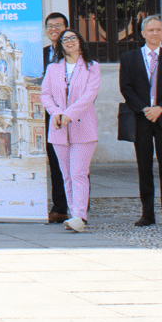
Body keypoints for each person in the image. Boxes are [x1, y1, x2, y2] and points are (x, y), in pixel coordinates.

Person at [119, 15, 162, 228]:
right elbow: (126, 87)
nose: (156, 33)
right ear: (143, 33)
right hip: (142, 119)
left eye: (159, 30)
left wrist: (160, 108)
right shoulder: (129, 58)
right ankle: (147, 213)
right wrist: (145, 109)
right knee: (144, 167)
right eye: (151, 30)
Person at [41, 29, 102, 233]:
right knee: (66, 174)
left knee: (79, 172)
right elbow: (45, 95)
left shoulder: (91, 67)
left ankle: (80, 216)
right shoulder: (53, 69)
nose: (69, 42)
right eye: (64, 39)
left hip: (83, 127)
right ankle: (73, 212)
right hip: (59, 128)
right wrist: (56, 112)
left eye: (72, 38)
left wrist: (68, 114)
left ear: (80, 42)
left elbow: (89, 95)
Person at [41, 12, 72, 223]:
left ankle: (79, 205)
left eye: (58, 25)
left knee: (77, 161)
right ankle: (60, 206)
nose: (54, 29)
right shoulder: (41, 54)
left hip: (72, 115)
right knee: (55, 160)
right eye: (50, 26)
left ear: (66, 28)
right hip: (49, 115)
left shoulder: (75, 53)